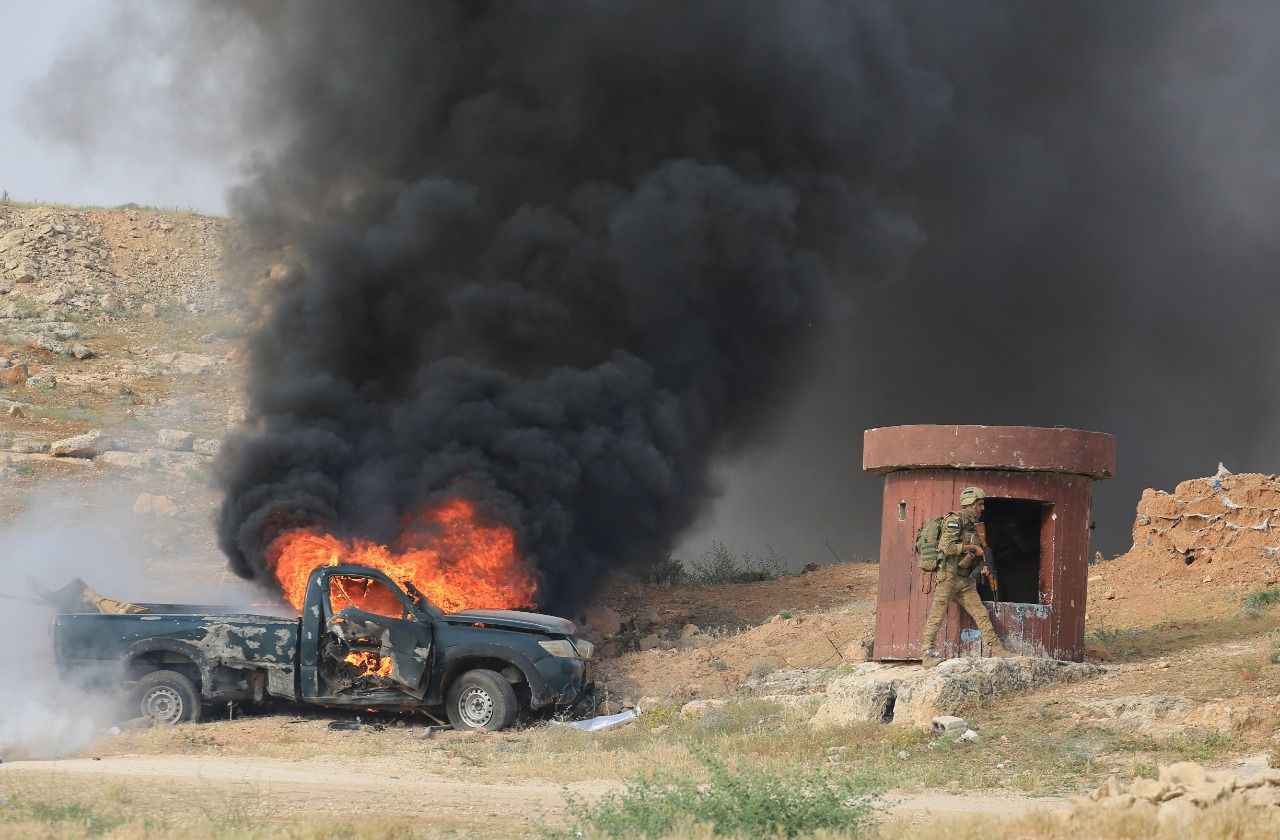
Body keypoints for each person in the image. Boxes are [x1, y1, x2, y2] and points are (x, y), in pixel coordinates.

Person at [920, 486, 1010, 667]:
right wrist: (972, 548)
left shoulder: (974, 526)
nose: (982, 508)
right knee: (937, 616)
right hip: (948, 576)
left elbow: (976, 553)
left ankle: (998, 650)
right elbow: (946, 547)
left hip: (965, 579)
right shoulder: (954, 521)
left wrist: (982, 565)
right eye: (979, 504)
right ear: (969, 504)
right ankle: (927, 655)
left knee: (981, 613)